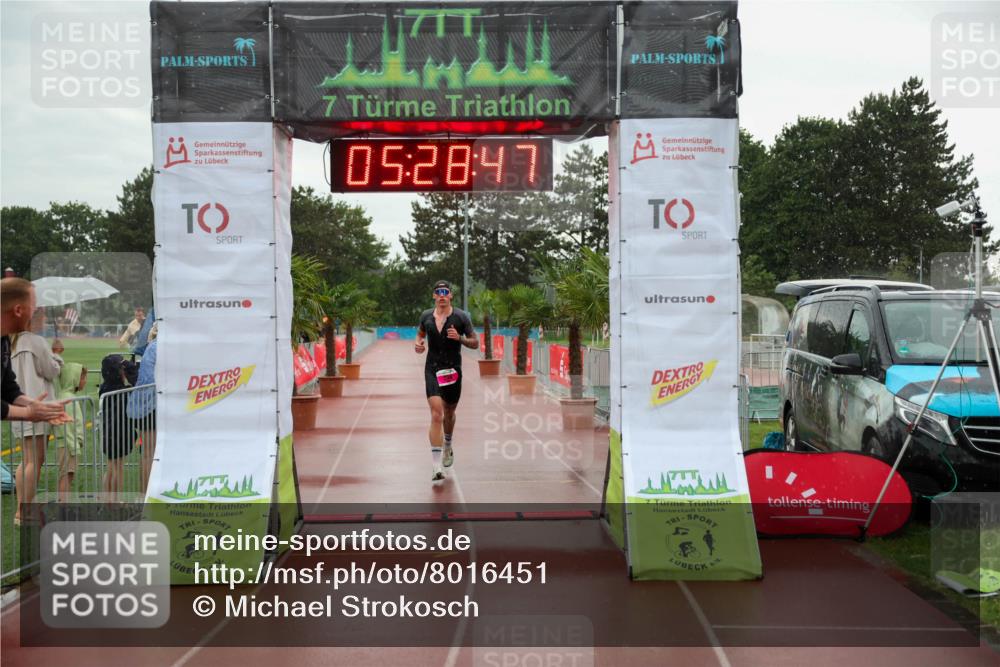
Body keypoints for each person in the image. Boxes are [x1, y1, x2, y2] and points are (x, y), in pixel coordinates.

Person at [414, 280, 478, 483]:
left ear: (450, 295)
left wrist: (460, 338)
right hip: (432, 368)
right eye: (438, 292)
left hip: (452, 370)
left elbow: (475, 343)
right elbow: (420, 334)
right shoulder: (426, 316)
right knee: (436, 414)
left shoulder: (461, 317)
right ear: (434, 296)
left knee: (449, 413)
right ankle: (435, 467)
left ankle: (448, 445)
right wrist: (419, 344)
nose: (442, 295)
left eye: (445, 292)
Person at [11, 308, 64, 524]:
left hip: (19, 405)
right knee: (34, 460)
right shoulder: (35, 341)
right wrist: (57, 357)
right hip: (37, 405)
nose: (44, 319)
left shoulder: (13, 341)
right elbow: (51, 370)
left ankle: (20, 510)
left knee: (27, 459)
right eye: (41, 315)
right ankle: (26, 512)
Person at [1, 277, 69, 424]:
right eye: (33, 307)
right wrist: (28, 412)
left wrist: (39, 407)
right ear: (18, 310)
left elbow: (8, 389)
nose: (34, 312)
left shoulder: (4, 340)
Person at [100, 354, 135, 501]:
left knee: (111, 466)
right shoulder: (123, 391)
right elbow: (136, 381)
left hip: (108, 432)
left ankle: (107, 498)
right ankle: (116, 500)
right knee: (118, 468)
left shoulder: (104, 388)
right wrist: (131, 371)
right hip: (120, 432)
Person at [53, 361, 88, 501]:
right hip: (68, 445)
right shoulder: (67, 399)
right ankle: (63, 507)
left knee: (68, 475)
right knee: (66, 475)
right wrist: (74, 445)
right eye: (83, 378)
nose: (85, 381)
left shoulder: (69, 397)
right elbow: (65, 426)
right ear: (74, 378)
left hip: (70, 444)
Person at [127, 335, 156, 493]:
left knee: (148, 453)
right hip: (151, 405)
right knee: (149, 454)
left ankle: (145, 494)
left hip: (147, 404)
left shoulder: (152, 347)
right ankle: (145, 495)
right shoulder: (157, 347)